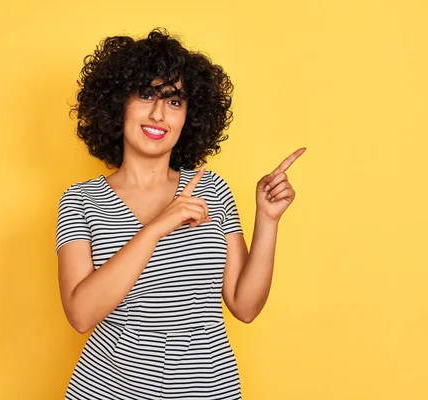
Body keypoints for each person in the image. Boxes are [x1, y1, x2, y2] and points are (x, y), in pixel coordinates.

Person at [55, 28, 305, 400]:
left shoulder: (212, 189)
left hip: (207, 390)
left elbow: (245, 306)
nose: (159, 114)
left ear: (190, 115)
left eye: (174, 101)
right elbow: (80, 314)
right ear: (117, 103)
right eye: (146, 95)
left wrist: (267, 220)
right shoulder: (81, 200)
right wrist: (156, 227)